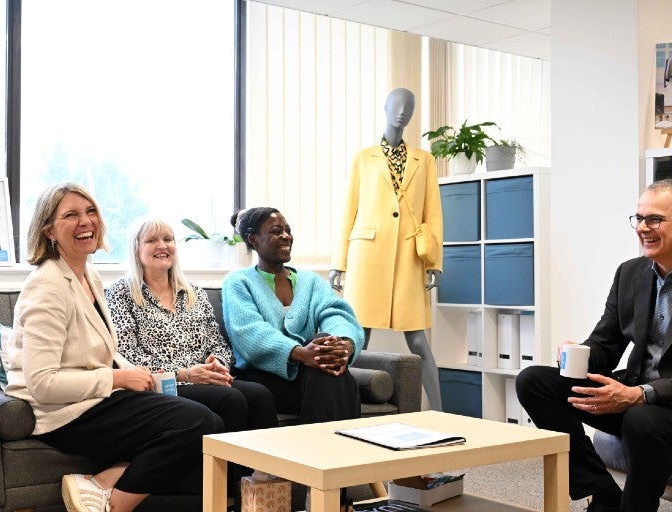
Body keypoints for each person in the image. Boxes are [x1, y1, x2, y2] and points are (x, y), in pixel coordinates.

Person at [516, 179, 672, 512]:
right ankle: (602, 493)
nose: (642, 228)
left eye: (654, 219)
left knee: (642, 419)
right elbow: (605, 346)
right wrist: (578, 354)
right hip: (642, 398)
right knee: (535, 381)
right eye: (638, 219)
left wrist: (639, 395)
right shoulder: (631, 273)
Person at [4, 182, 222, 512]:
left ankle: (104, 481)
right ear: (49, 230)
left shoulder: (85, 274)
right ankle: (114, 506)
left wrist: (137, 372)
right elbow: (43, 384)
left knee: (218, 418)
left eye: (90, 211)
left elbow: (95, 350)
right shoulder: (46, 287)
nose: (86, 221)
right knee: (198, 423)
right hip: (65, 413)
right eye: (71, 215)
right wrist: (118, 379)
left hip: (94, 398)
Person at [105, 217, 279, 502]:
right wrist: (186, 373)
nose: (162, 246)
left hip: (204, 378)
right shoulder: (121, 294)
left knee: (259, 395)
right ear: (136, 249)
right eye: (151, 240)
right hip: (162, 384)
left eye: (168, 239)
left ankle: (266, 494)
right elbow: (126, 356)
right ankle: (225, 498)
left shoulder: (193, 292)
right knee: (232, 400)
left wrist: (217, 363)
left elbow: (218, 343)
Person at [329, 88, 444, 411]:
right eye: (396, 106)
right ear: (384, 108)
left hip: (409, 257)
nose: (401, 113)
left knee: (419, 340)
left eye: (408, 108)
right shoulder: (364, 158)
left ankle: (440, 412)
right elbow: (348, 210)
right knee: (357, 336)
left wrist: (435, 262)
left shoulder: (426, 160)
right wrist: (339, 261)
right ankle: (343, 405)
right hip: (367, 256)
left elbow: (432, 213)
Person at [223, 206, 365, 425]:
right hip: (262, 377)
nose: (286, 236)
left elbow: (336, 313)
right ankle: (345, 449)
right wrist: (299, 353)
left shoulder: (311, 281)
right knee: (331, 374)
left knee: (325, 355)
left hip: (308, 373)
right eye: (276, 231)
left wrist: (344, 344)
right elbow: (249, 333)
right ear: (254, 239)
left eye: (288, 230)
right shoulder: (238, 282)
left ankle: (320, 450)